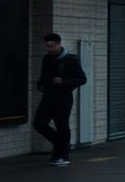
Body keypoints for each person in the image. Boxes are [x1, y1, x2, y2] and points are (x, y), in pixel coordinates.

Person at [34, 33, 87, 167]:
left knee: (61, 124)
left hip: (63, 98)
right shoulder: (46, 59)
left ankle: (63, 155)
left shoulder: (70, 60)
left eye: (51, 46)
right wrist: (40, 85)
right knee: (39, 124)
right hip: (48, 96)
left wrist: (63, 82)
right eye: (46, 46)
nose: (48, 49)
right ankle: (60, 144)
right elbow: (43, 76)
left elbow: (82, 79)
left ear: (59, 44)